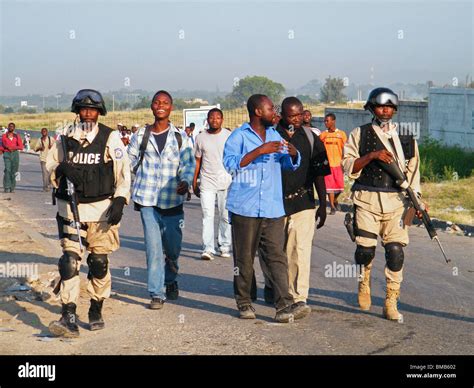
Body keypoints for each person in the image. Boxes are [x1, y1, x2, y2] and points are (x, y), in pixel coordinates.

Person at [46, 89, 131, 337]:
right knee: (70, 262)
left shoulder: (110, 138)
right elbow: (49, 164)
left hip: (101, 211)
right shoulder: (65, 138)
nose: (87, 114)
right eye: (83, 109)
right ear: (77, 111)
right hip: (71, 210)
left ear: (99, 112)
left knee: (98, 263)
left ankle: (96, 306)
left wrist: (120, 200)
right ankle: (68, 314)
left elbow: (123, 172)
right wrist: (61, 167)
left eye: (92, 110)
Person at [223, 94, 310, 323]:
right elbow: (231, 165)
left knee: (276, 257)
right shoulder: (239, 136)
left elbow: (289, 165)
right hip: (245, 207)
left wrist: (293, 155)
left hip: (272, 207)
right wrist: (259, 151)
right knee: (244, 259)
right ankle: (244, 302)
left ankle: (284, 305)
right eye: (271, 109)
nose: (276, 113)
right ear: (258, 112)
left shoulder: (275, 135)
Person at [342, 87, 422, 321]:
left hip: (397, 201)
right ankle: (364, 280)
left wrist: (417, 200)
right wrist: (372, 156)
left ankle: (391, 300)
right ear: (371, 108)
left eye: (389, 106)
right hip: (367, 198)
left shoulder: (406, 136)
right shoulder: (360, 133)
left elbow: (413, 172)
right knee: (365, 250)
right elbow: (348, 166)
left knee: (395, 251)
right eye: (380, 106)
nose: (385, 110)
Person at [259, 97, 330, 310]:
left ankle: (298, 297)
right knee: (273, 251)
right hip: (274, 203)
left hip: (304, 202)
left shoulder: (311, 138)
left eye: (300, 114)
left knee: (299, 250)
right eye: (292, 116)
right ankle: (273, 284)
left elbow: (319, 174)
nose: (297, 119)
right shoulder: (270, 135)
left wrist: (323, 204)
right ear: (282, 115)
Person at [128, 90, 195, 310]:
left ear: (171, 107)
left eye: (165, 103)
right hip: (147, 199)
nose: (161, 105)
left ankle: (171, 279)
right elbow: (128, 162)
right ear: (152, 106)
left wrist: (185, 180)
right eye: (157, 102)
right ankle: (157, 293)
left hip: (172, 200)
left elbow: (188, 164)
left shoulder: (180, 137)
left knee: (173, 249)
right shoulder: (140, 135)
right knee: (153, 247)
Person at [193, 108, 232, 260]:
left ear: (222, 120)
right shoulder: (200, 138)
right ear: (207, 120)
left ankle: (224, 245)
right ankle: (208, 248)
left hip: (225, 181)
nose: (214, 120)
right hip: (207, 181)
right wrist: (194, 181)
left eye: (218, 118)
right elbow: (197, 161)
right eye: (212, 117)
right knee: (207, 215)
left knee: (225, 215)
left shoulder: (229, 136)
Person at [320, 113, 347, 214]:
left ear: (333, 121)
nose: (326, 123)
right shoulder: (323, 135)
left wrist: (344, 161)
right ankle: (332, 206)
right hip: (328, 165)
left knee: (340, 187)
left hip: (338, 165)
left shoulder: (341, 135)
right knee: (330, 188)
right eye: (325, 121)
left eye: (327, 121)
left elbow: (346, 148)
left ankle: (335, 200)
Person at [1, 122, 23, 193]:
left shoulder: (17, 136)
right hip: (7, 153)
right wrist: (5, 148)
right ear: (8, 127)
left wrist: (13, 148)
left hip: (15, 154)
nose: (11, 128)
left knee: (14, 171)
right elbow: (2, 145)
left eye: (12, 127)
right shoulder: (4, 136)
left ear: (14, 128)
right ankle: (6, 187)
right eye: (9, 126)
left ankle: (12, 187)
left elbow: (21, 147)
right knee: (7, 170)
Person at [34, 127, 54, 191]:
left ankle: (49, 183)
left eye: (45, 131)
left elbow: (56, 147)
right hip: (43, 159)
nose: (44, 132)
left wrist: (52, 147)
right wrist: (40, 148)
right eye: (43, 131)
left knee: (51, 173)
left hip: (51, 159)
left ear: (47, 132)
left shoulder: (51, 139)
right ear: (41, 133)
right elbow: (35, 149)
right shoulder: (39, 140)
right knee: (45, 174)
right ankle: (45, 187)